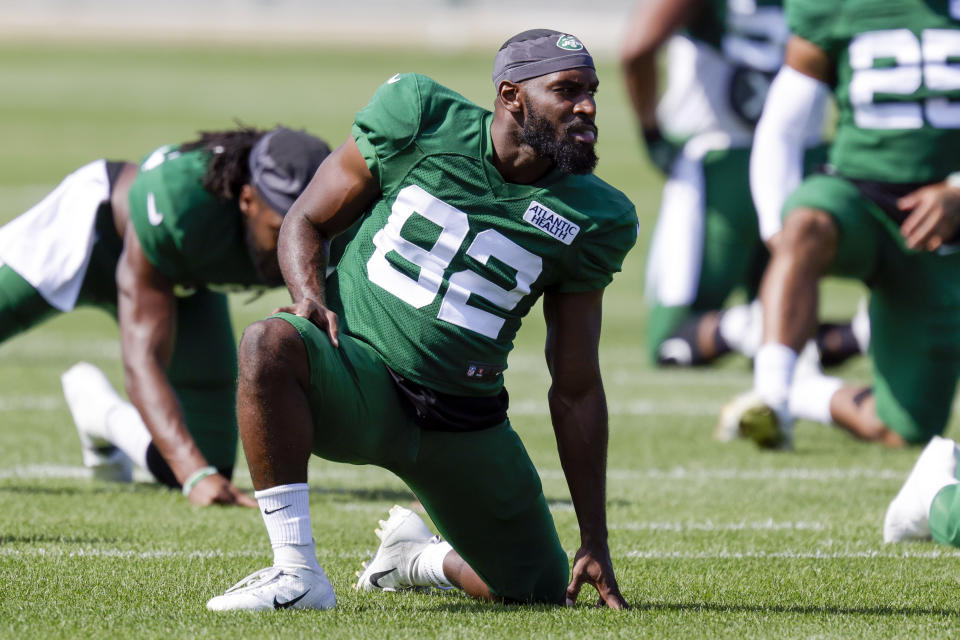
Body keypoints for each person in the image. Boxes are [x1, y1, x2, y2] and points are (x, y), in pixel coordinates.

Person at [205, 29, 635, 611]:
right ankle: (295, 570)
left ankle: (416, 558)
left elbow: (577, 385)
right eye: (567, 89)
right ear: (511, 95)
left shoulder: (596, 215)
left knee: (536, 591)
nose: (586, 106)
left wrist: (595, 537)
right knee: (269, 343)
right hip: (358, 376)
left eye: (591, 91)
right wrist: (308, 296)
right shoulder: (419, 118)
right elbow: (306, 218)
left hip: (463, 419)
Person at [0, 125, 331, 504]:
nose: (294, 243)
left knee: (210, 465)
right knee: (191, 468)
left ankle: (99, 414)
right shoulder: (182, 204)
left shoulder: (333, 219)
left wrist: (199, 470)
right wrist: (193, 473)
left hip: (184, 281)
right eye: (280, 230)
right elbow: (143, 361)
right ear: (246, 199)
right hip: (89, 237)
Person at [726, 0, 960, 449]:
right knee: (807, 223)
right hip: (859, 202)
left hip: (942, 233)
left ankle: (801, 393)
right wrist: (781, 231)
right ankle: (771, 395)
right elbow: (782, 126)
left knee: (903, 429)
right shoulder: (838, 7)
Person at [621, 0, 869, 368]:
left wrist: (651, 132)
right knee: (789, 330)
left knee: (670, 341)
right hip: (803, 162)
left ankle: (748, 326)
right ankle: (862, 334)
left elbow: (637, 47)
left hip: (722, 165)